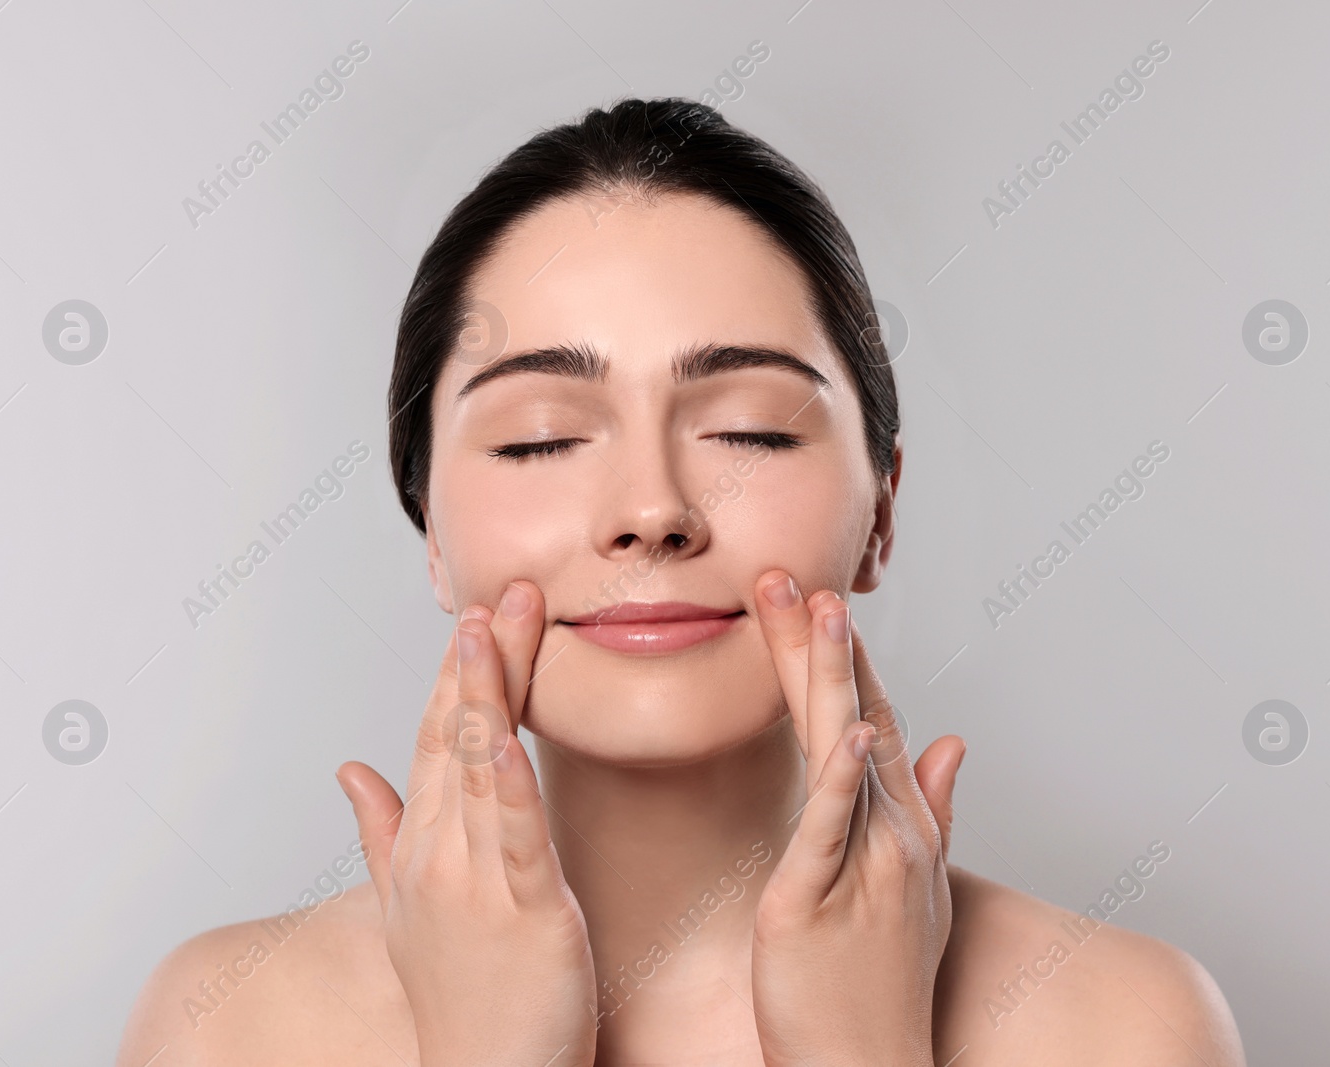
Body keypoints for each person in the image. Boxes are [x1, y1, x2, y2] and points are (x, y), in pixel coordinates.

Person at [117, 97, 1245, 1066]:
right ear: (431, 530)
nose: (651, 510)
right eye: (540, 439)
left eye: (750, 429)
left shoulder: (1118, 1023)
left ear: (879, 510)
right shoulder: (231, 1025)